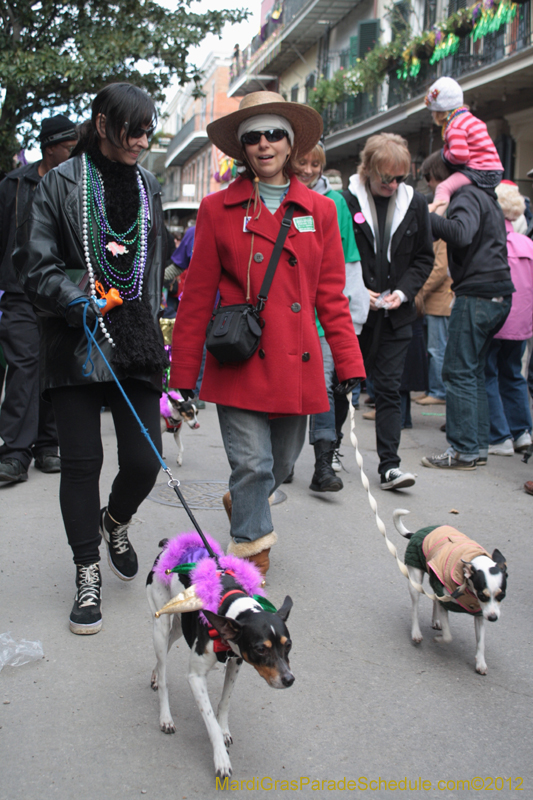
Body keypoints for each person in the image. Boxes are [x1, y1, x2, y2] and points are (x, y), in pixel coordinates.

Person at [169, 91, 365, 575]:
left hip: (296, 364)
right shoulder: (217, 209)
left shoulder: (319, 210)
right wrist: (182, 375)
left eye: (274, 133)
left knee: (277, 466)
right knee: (254, 464)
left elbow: (332, 297)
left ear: (291, 142)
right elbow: (196, 296)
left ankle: (245, 500)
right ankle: (249, 555)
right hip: (240, 357)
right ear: (242, 149)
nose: (264, 144)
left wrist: (350, 363)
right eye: (253, 137)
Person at [13, 83, 168, 634]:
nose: (143, 140)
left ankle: (116, 520)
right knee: (81, 464)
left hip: (137, 341)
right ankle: (87, 570)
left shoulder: (149, 185)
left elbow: (152, 266)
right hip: (76, 337)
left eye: (149, 129)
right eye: (134, 129)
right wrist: (77, 296)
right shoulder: (58, 182)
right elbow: (32, 262)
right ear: (102, 124)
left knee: (145, 461)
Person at [344, 133, 434, 490]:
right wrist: (355, 289)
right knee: (343, 385)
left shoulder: (415, 203)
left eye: (399, 177)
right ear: (368, 169)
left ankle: (390, 466)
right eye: (386, 177)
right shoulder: (346, 199)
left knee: (390, 389)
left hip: (396, 314)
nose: (392, 184)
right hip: (355, 312)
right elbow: (334, 254)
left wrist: (403, 291)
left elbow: (424, 257)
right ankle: (328, 455)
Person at [0, 115, 78, 484]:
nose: (75, 153)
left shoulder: (76, 185)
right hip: (18, 293)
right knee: (24, 367)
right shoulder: (13, 185)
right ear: (50, 147)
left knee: (53, 368)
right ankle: (15, 452)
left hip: (59, 294)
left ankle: (48, 446)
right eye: (69, 147)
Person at [421, 168, 514, 470]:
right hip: (496, 294)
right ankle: (477, 448)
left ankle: (462, 451)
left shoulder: (466, 195)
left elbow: (461, 233)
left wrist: (426, 217)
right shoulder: (486, 196)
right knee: (473, 372)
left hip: (477, 294)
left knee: (459, 371)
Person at [293, 140, 369, 491]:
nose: (308, 170)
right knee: (288, 388)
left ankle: (323, 463)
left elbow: (348, 260)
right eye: (302, 162)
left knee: (324, 388)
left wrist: (354, 319)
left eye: (315, 164)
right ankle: (285, 459)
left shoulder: (335, 203)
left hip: (322, 316)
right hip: (283, 314)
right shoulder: (275, 197)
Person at [484, 181, 533, 458]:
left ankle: (499, 435)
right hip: (522, 324)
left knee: (488, 373)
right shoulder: (527, 243)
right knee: (514, 375)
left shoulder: (492, 243)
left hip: (496, 318)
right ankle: (521, 431)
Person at [424, 77, 503, 216]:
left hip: (479, 171)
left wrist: (445, 154)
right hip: (493, 170)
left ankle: (433, 223)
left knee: (443, 188)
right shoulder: (470, 120)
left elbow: (460, 156)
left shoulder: (454, 127)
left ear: (440, 111)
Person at [414, 152, 454, 407]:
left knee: (439, 349)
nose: (428, 183)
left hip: (441, 300)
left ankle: (439, 392)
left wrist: (419, 290)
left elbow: (440, 266)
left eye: (429, 178)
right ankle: (437, 390)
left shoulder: (446, 216)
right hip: (438, 299)